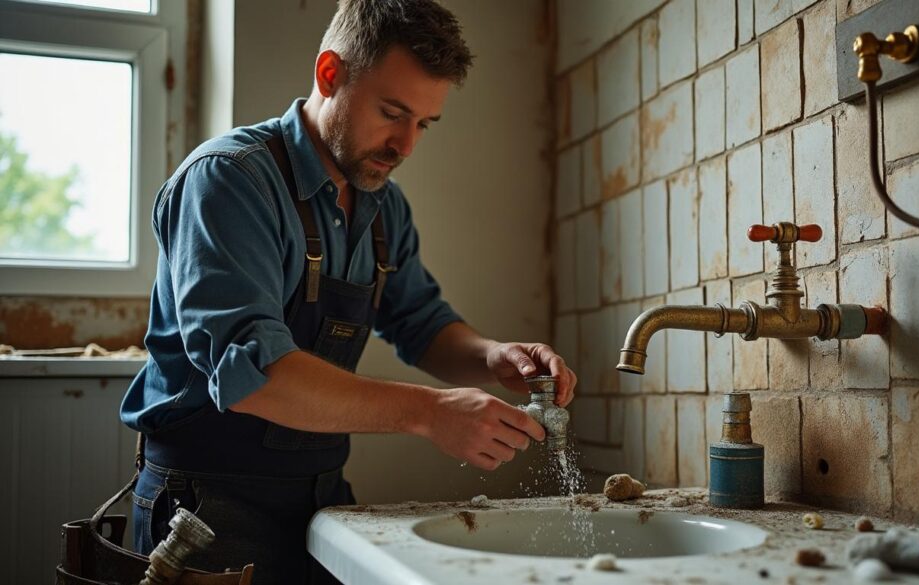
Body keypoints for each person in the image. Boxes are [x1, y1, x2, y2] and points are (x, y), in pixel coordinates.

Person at [118, 1, 577, 582]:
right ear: (330, 73)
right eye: (393, 113)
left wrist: (492, 357)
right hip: (204, 506)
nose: (405, 144)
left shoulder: (384, 206)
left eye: (424, 124)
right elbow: (254, 377)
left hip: (322, 499)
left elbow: (421, 322)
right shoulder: (228, 181)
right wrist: (432, 413)